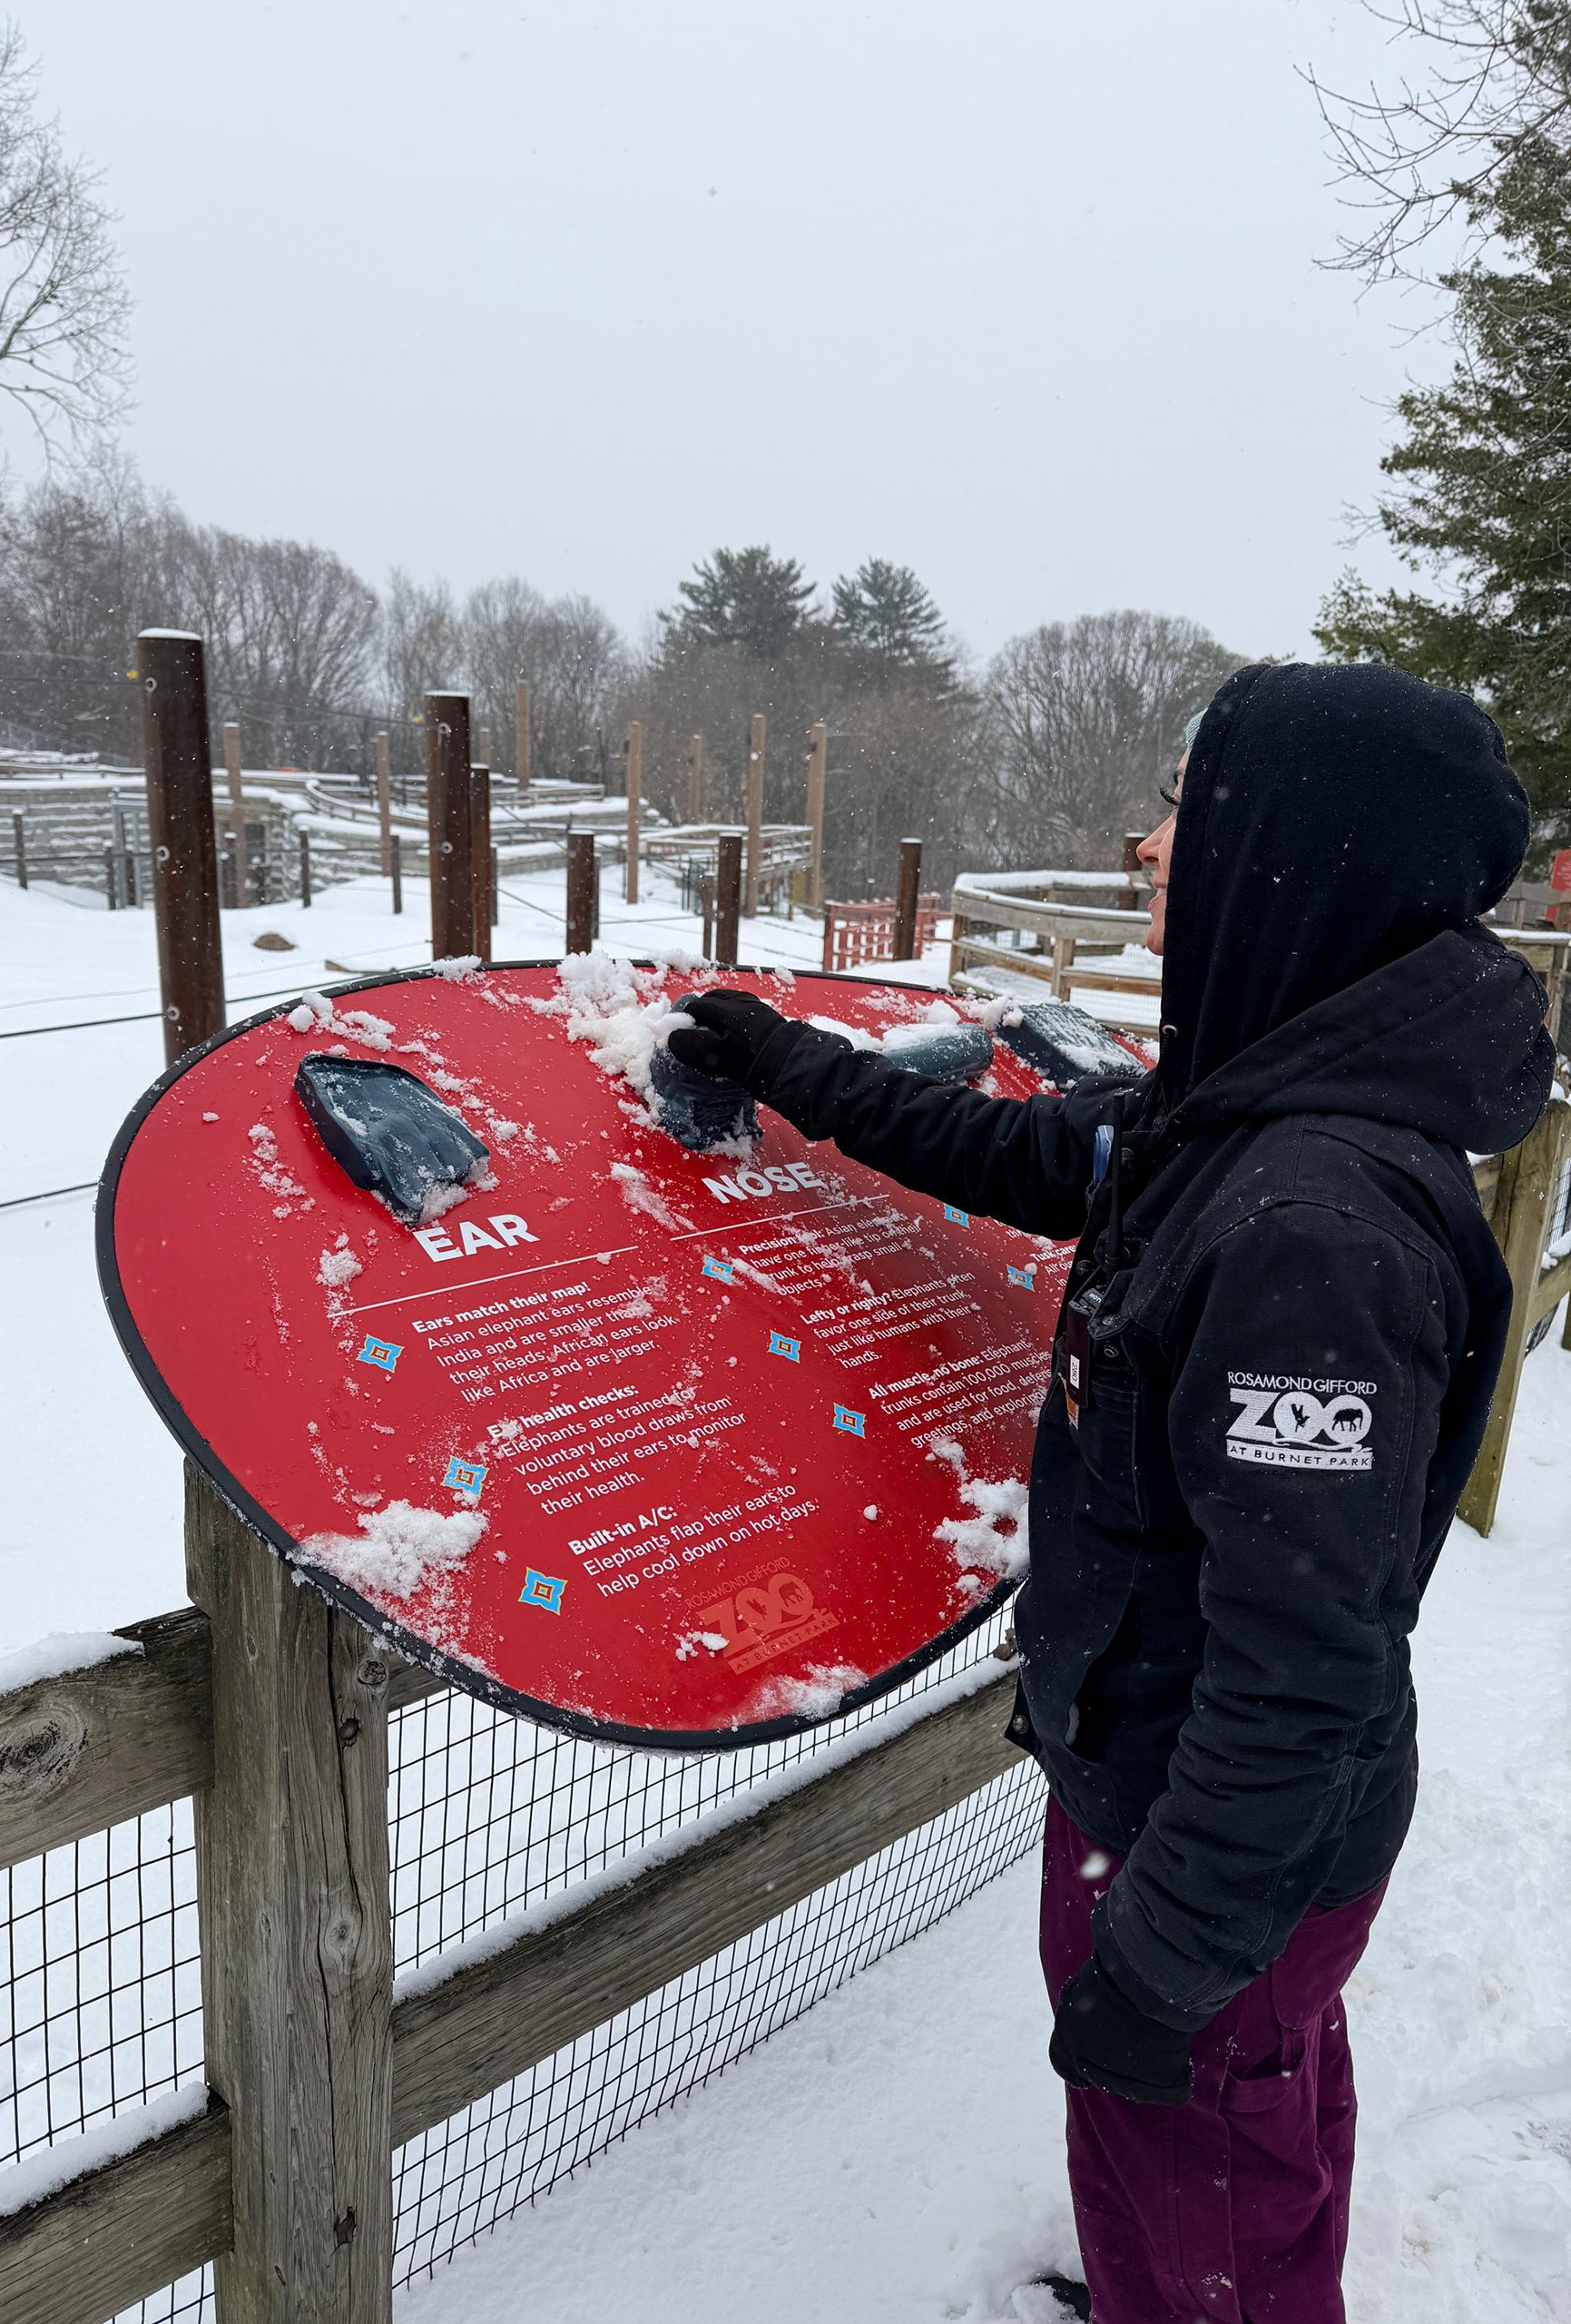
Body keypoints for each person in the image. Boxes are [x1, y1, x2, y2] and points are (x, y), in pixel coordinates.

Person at [665, 661, 1554, 2321]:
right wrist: (791, 1063)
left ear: (1291, 857)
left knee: (1205, 2182)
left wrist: (1169, 1957)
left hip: (1209, 1846)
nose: (1149, 848)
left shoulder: (1310, 1230)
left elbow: (1303, 1666)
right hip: (1196, 1814)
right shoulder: (1240, 1103)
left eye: (1185, 811)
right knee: (1244, 2141)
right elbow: (1021, 1154)